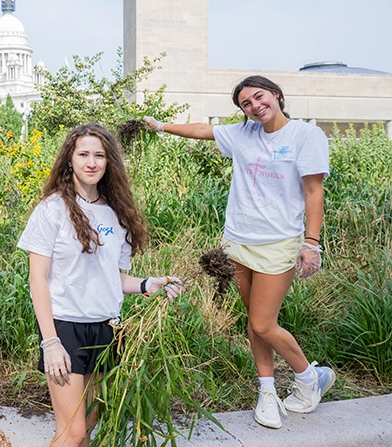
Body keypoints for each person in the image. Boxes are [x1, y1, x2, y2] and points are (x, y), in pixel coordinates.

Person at [144, 75, 334, 430]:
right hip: (237, 240)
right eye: (246, 103)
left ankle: (310, 378)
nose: (254, 106)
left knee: (264, 323)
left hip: (279, 243)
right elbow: (204, 130)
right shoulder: (243, 133)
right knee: (254, 321)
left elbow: (313, 192)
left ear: (276, 95)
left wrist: (311, 243)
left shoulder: (306, 136)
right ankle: (266, 390)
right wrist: (161, 126)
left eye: (259, 97)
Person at [17, 123, 184, 447]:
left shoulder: (117, 214)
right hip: (65, 328)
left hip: (106, 329)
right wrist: (50, 343)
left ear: (109, 163)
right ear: (69, 160)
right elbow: (37, 278)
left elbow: (116, 278)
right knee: (72, 432)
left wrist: (151, 284)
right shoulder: (52, 210)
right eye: (83, 154)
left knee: (91, 423)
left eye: (99, 155)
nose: (91, 162)